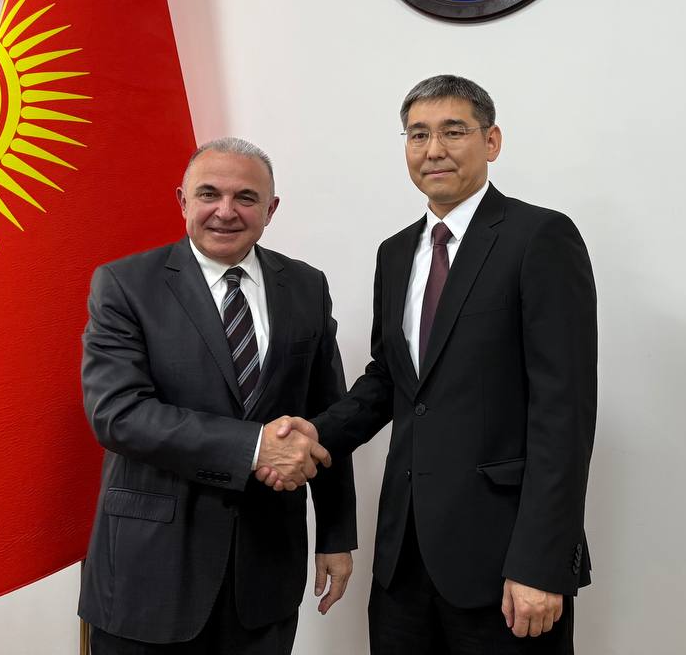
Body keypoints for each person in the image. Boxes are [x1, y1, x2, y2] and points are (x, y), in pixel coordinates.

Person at [261, 76, 597, 653]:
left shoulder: (539, 237)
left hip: (505, 560)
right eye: (418, 134)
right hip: (403, 558)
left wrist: (542, 563)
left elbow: (564, 413)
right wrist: (317, 433)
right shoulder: (395, 252)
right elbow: (391, 378)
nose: (433, 149)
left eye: (453, 131)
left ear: (491, 141)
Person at [78, 137, 356, 655]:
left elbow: (326, 417)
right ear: (182, 201)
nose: (225, 211)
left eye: (246, 197)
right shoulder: (124, 284)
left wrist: (336, 535)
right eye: (209, 194)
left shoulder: (306, 287)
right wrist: (255, 448)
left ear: (271, 209)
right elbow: (117, 414)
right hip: (149, 573)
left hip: (266, 573)